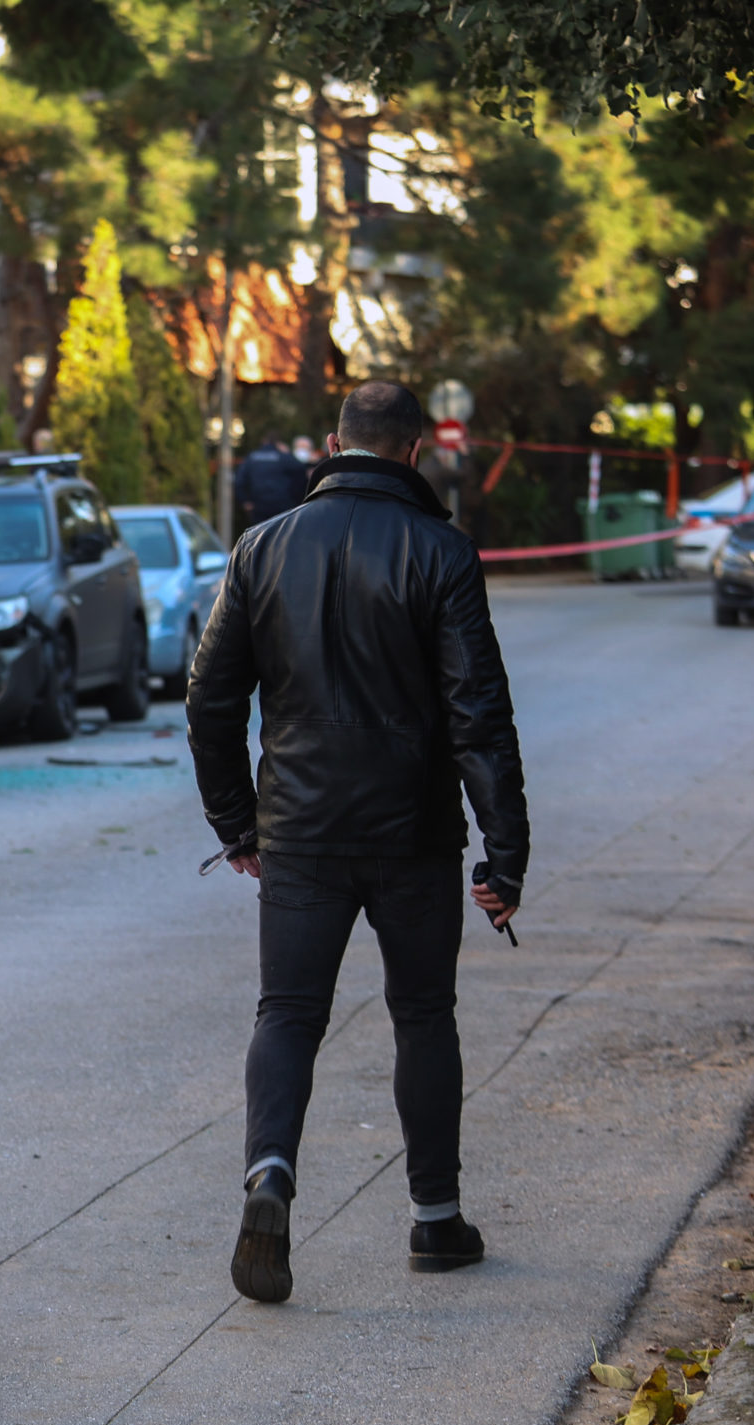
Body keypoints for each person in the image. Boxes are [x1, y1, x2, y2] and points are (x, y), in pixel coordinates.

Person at [185, 381, 529, 1304]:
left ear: (334, 446)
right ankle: (435, 1219)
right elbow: (479, 714)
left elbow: (209, 698)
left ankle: (270, 1172)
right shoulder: (442, 551)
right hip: (414, 835)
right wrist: (504, 855)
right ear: (415, 452)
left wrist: (236, 822)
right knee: (423, 1015)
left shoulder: (262, 547)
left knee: (287, 1014)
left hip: (300, 833)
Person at [233, 434, 310, 529]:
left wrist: (245, 501)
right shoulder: (283, 456)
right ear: (278, 444)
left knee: (259, 534)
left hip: (258, 507)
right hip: (282, 506)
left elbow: (239, 481)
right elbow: (301, 472)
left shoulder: (252, 457)